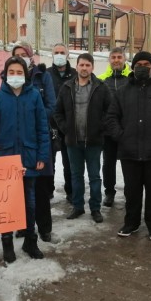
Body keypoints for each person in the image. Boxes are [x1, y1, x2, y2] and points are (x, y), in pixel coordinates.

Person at [105, 51, 151, 242]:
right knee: (132, 192)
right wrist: (121, 136)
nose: (143, 67)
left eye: (147, 63)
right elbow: (112, 116)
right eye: (139, 63)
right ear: (133, 66)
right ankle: (131, 223)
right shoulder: (123, 91)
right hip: (129, 151)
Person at [0, 56, 50, 263]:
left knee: (29, 202)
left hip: (29, 157)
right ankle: (7, 242)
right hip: (5, 158)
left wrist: (42, 155)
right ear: (5, 74)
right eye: (11, 72)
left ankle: (30, 240)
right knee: (6, 202)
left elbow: (42, 127)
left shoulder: (34, 96)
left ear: (26, 74)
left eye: (19, 72)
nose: (15, 76)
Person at [54, 53, 112, 223]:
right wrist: (66, 129)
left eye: (88, 65)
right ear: (76, 66)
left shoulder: (101, 87)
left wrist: (101, 128)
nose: (84, 68)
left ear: (92, 67)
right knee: (76, 175)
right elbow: (57, 112)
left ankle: (95, 208)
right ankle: (78, 206)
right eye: (81, 65)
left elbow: (111, 111)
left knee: (94, 176)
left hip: (94, 142)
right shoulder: (67, 88)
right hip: (73, 142)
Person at [12, 41, 56, 241]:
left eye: (23, 54)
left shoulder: (42, 76)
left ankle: (45, 228)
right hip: (16, 143)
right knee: (19, 189)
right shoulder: (8, 79)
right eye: (16, 54)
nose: (20, 57)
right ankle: (23, 226)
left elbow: (51, 107)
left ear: (30, 56)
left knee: (41, 187)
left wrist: (32, 116)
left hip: (38, 139)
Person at [98, 47, 131, 207]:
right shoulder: (102, 80)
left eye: (119, 57)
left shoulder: (131, 79)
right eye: (113, 57)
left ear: (124, 59)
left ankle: (129, 193)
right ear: (109, 60)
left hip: (127, 131)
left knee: (128, 163)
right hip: (108, 131)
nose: (116, 60)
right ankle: (109, 193)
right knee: (108, 163)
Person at [47, 43, 77, 206]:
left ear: (67, 55)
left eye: (62, 52)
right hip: (49, 125)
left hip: (68, 125)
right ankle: (48, 189)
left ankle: (71, 192)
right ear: (52, 55)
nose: (59, 55)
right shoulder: (47, 74)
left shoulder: (74, 74)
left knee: (69, 161)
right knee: (49, 160)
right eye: (56, 52)